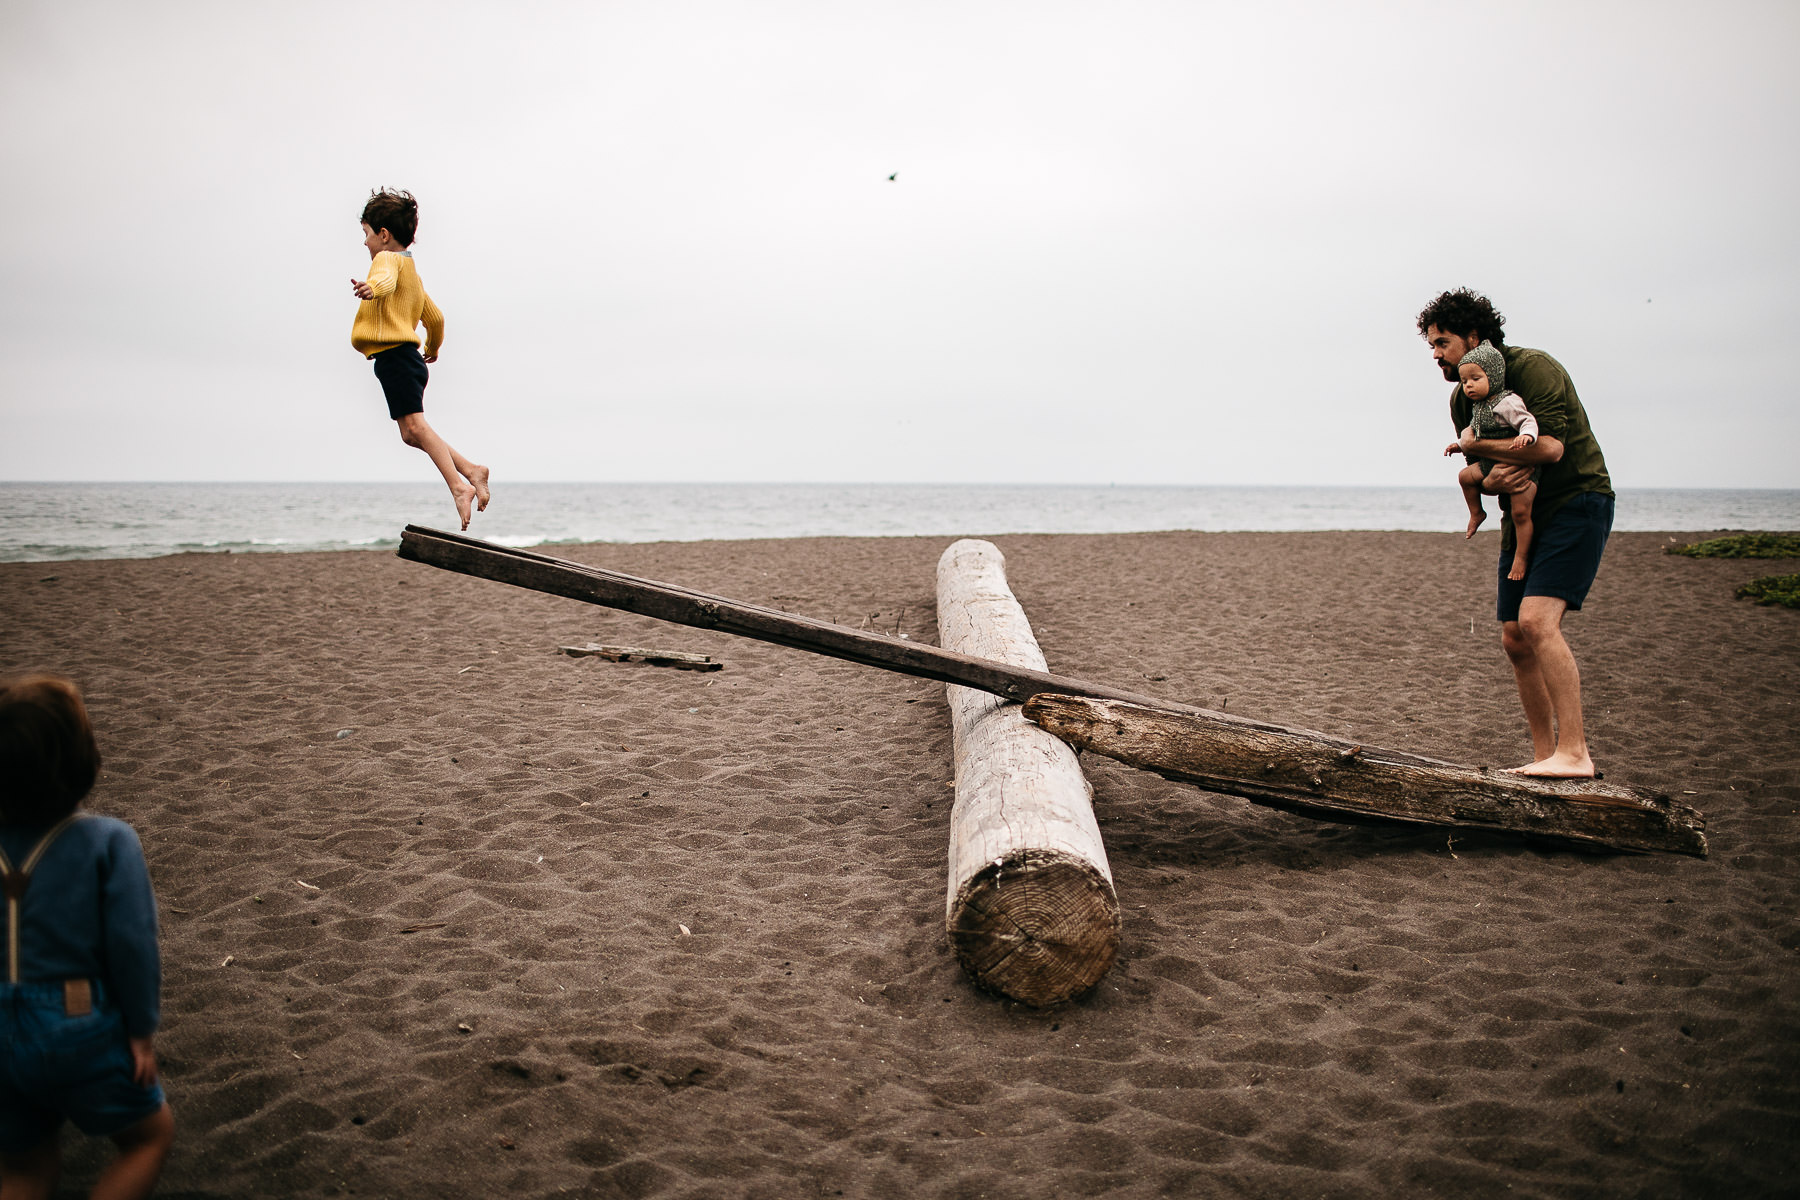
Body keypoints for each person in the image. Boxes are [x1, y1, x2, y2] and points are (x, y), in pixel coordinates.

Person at [1417, 288, 1614, 778]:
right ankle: (1547, 756)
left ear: (1475, 337)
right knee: (1513, 638)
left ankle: (1576, 753)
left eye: (1442, 343)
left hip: (1576, 500)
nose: (1436, 355)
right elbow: (1486, 469)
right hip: (1522, 515)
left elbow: (1549, 450)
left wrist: (1494, 461)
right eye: (1431, 347)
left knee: (1537, 621)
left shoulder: (1534, 368)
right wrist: (1488, 478)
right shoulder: (1462, 399)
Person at [0, 673, 173, 1200]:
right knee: (148, 1137)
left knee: (24, 1168)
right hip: (76, 1022)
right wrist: (140, 1031)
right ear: (84, 760)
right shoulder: (107, 843)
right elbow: (132, 944)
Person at [350, 188, 490, 530]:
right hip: (406, 359)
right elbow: (436, 318)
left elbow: (382, 279)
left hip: (396, 356)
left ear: (383, 235)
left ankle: (460, 486)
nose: (365, 243)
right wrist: (434, 347)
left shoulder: (386, 261)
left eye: (367, 235)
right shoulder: (412, 274)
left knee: (415, 428)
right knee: (411, 434)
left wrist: (372, 289)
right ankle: (471, 469)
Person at [1444, 340, 1540, 580]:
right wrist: (1459, 444)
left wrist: (1527, 436)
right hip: (1490, 463)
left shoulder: (1507, 402)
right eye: (1465, 381)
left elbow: (1527, 420)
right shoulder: (1478, 406)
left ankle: (1521, 557)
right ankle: (1477, 512)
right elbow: (1475, 432)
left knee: (1520, 513)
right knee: (1465, 477)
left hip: (1517, 465)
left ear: (1494, 376)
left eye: (1475, 379)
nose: (1469, 386)